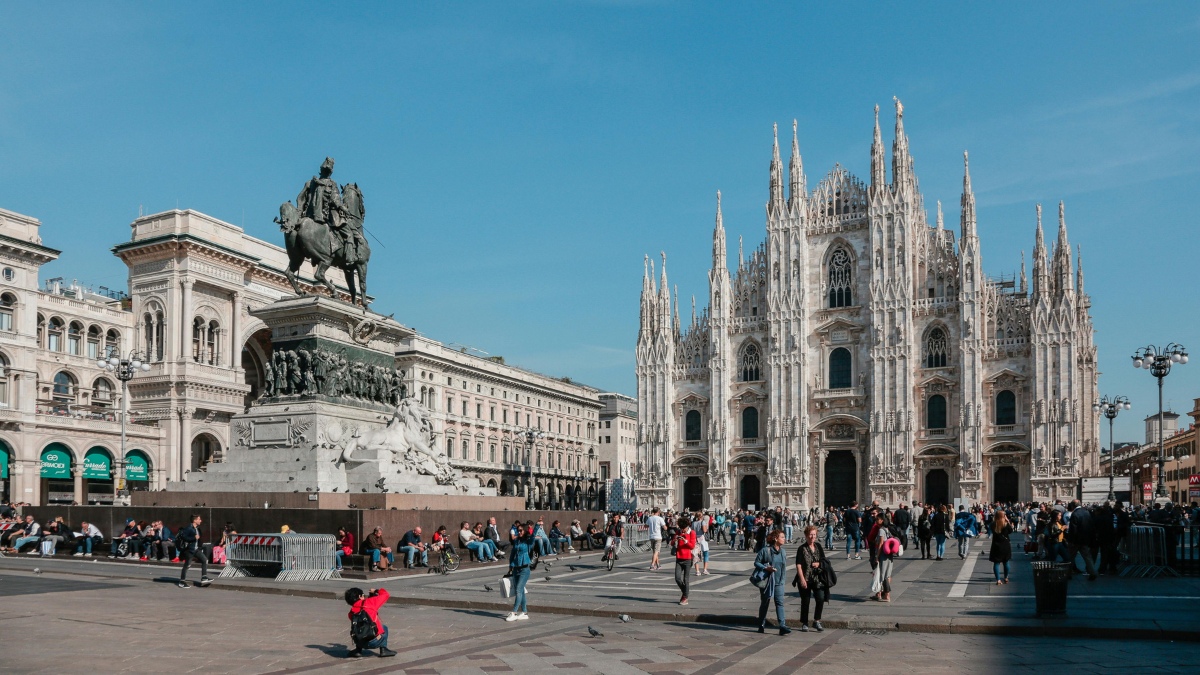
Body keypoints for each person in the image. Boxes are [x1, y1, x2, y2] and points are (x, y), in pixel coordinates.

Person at [753, 529, 790, 635]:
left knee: (780, 603)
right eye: (782, 537)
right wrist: (766, 568)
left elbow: (783, 567)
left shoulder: (783, 552)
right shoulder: (766, 550)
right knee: (765, 603)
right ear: (775, 538)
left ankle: (782, 626)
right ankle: (761, 624)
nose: (784, 539)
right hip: (767, 581)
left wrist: (782, 580)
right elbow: (756, 563)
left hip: (779, 582)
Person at [344, 587, 396, 658]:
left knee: (359, 628)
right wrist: (376, 591)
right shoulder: (369, 602)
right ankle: (383, 650)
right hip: (375, 642)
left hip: (359, 642)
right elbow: (386, 594)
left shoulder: (351, 612)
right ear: (360, 596)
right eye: (363, 595)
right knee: (384, 627)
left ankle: (358, 650)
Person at [794, 525, 828, 632]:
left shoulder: (818, 546)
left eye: (814, 534)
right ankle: (804, 622)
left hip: (817, 578)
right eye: (810, 535)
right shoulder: (801, 548)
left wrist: (819, 564)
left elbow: (824, 560)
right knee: (805, 601)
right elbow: (798, 565)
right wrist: (802, 579)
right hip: (806, 577)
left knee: (820, 598)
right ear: (806, 535)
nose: (812, 537)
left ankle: (817, 620)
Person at [506, 521, 535, 622]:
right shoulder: (517, 541)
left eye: (521, 530)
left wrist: (538, 526)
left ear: (525, 531)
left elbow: (533, 535)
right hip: (515, 568)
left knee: (518, 589)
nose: (519, 532)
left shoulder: (528, 541)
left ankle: (514, 612)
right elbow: (512, 554)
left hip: (524, 569)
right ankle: (525, 612)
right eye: (518, 530)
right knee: (521, 590)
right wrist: (510, 565)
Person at [176, 514, 212, 589]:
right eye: (199, 519)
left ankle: (204, 577)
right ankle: (182, 582)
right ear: (194, 520)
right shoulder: (189, 528)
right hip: (189, 550)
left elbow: (199, 538)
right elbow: (184, 537)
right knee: (187, 565)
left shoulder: (197, 528)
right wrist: (193, 538)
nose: (201, 520)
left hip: (196, 549)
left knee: (205, 560)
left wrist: (200, 546)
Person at [1065, 501, 1098, 580]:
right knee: (1087, 556)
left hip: (1076, 540)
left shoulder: (1075, 514)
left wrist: (1071, 540)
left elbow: (1073, 529)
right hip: (1084, 539)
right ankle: (1092, 572)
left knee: (1071, 557)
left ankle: (1068, 573)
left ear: (1073, 506)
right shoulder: (1086, 512)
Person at [673, 515, 696, 606]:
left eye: (684, 529)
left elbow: (692, 546)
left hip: (688, 558)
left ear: (687, 527)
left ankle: (685, 597)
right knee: (677, 578)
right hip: (679, 558)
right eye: (681, 529)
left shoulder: (692, 533)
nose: (682, 530)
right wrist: (675, 539)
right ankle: (685, 592)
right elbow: (672, 543)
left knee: (686, 579)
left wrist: (685, 540)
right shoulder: (678, 531)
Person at [989, 510, 1013, 584]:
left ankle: (998, 580)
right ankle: (1006, 577)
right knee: (1006, 562)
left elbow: (991, 531)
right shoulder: (1006, 524)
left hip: (996, 545)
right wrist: (1007, 521)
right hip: (1005, 544)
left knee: (996, 563)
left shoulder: (993, 524)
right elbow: (1011, 531)